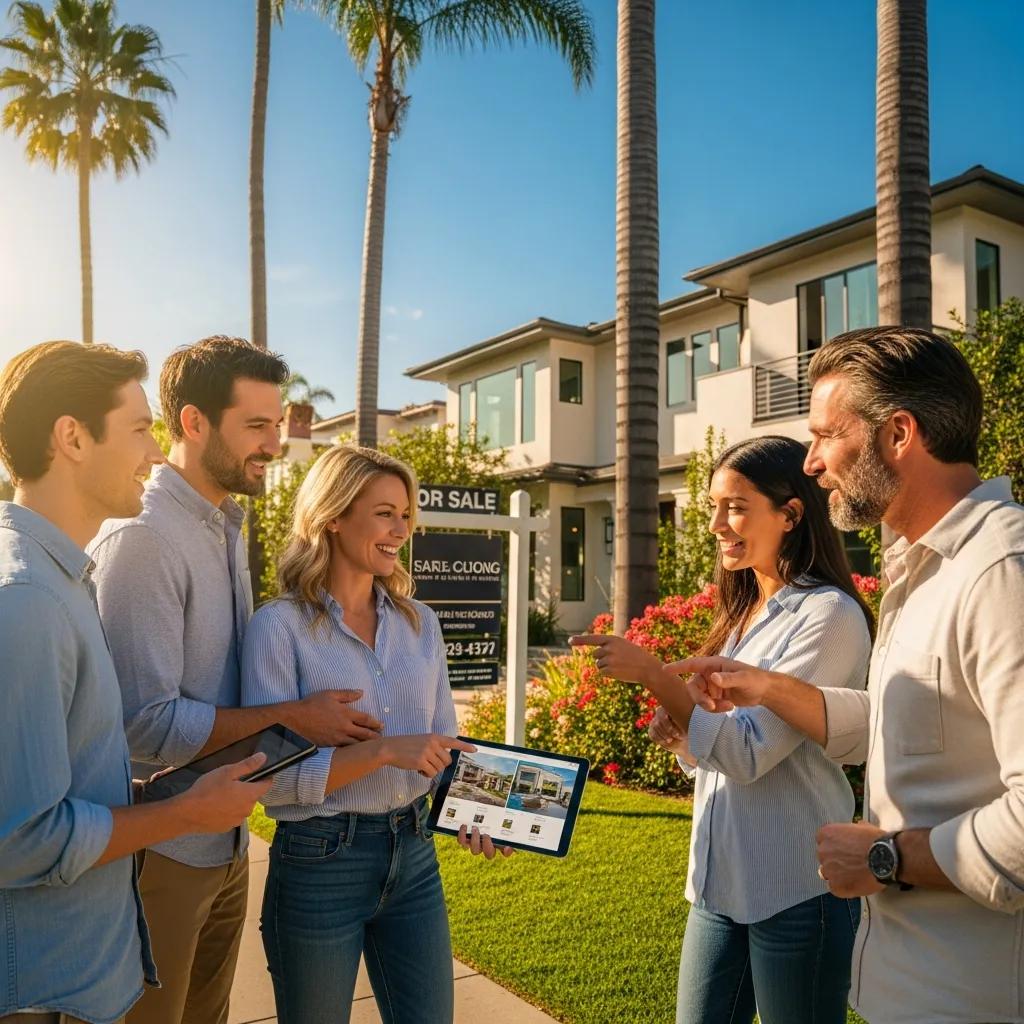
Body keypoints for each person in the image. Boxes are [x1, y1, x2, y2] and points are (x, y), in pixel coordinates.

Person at [674, 327, 1024, 1024]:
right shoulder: (925, 571)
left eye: (827, 435)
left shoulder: (1000, 573)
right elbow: (918, 723)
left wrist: (892, 858)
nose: (812, 462)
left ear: (899, 434)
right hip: (909, 988)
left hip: (972, 999)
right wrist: (765, 685)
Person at [87, 336, 382, 1024]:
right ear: (192, 423)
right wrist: (293, 715)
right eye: (256, 426)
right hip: (158, 849)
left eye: (275, 425)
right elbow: (145, 724)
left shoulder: (222, 525)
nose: (273, 444)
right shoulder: (145, 540)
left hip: (223, 841)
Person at [0, 341, 270, 1024]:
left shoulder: (61, 577)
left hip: (85, 967)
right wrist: (182, 812)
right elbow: (19, 838)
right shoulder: (30, 598)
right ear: (72, 438)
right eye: (138, 429)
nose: (154, 454)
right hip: (51, 992)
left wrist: (155, 793)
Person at [571, 435, 873, 1024]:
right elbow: (718, 749)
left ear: (790, 514)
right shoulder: (745, 612)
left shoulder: (828, 616)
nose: (715, 524)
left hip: (795, 888)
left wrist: (656, 678)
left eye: (735, 506)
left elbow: (750, 754)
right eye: (714, 506)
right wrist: (684, 725)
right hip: (717, 885)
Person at [242, 444, 510, 1024]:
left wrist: (476, 810)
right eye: (385, 512)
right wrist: (384, 751)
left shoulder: (421, 623)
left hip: (414, 857)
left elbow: (444, 743)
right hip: (319, 862)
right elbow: (268, 786)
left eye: (406, 514)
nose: (401, 529)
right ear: (333, 515)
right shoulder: (279, 628)